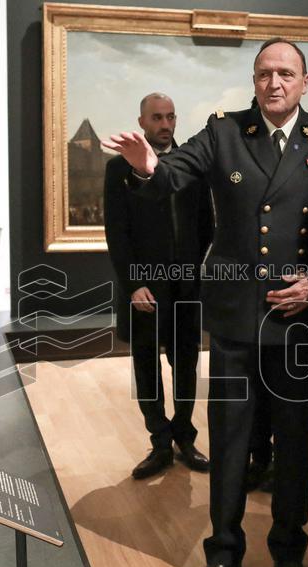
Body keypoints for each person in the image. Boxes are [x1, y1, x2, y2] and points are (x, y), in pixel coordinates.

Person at [104, 38, 308, 567]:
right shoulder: (225, 133)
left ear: (305, 82)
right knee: (232, 443)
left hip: (300, 326)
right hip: (237, 323)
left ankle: (288, 552)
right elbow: (174, 173)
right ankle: (224, 554)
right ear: (254, 81)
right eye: (264, 74)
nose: (275, 83)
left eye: (286, 73)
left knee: (296, 442)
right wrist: (147, 166)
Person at [104, 93, 214, 479]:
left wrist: (196, 270)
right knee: (146, 365)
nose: (165, 124)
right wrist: (134, 284)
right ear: (142, 121)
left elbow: (205, 225)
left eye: (170, 117)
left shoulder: (192, 167)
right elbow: (117, 232)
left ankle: (185, 436)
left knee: (187, 364)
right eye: (156, 118)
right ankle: (159, 443)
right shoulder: (118, 169)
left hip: (186, 286)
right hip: (145, 289)